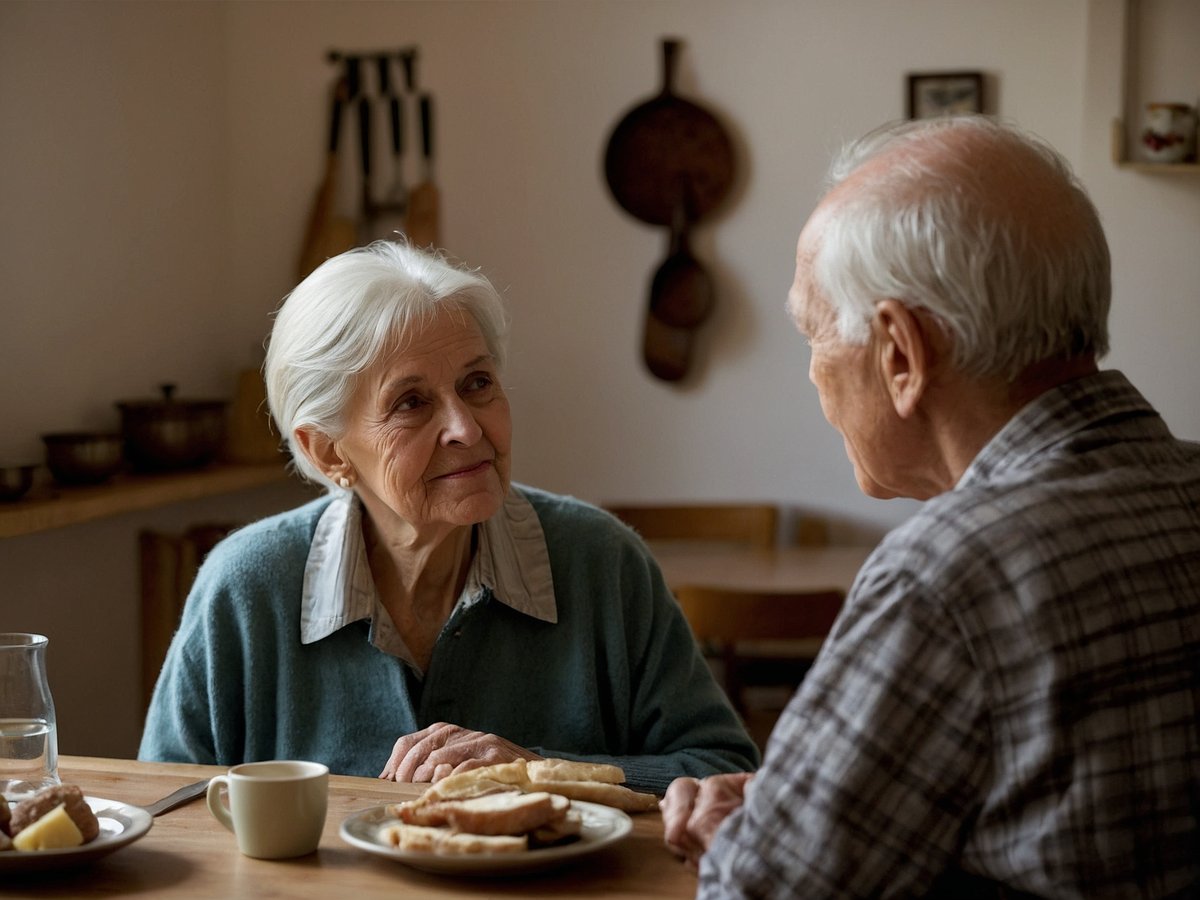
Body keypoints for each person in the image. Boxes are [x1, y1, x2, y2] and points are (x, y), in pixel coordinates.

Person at [661, 116, 1200, 896]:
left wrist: (736, 838)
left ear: (901, 353)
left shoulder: (945, 578)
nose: (812, 374)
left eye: (813, 335)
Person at [139, 241, 759, 792]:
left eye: (478, 383)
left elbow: (728, 772)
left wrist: (540, 773)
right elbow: (167, 807)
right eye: (411, 402)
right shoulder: (246, 586)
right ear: (327, 451)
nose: (466, 428)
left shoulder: (600, 561)